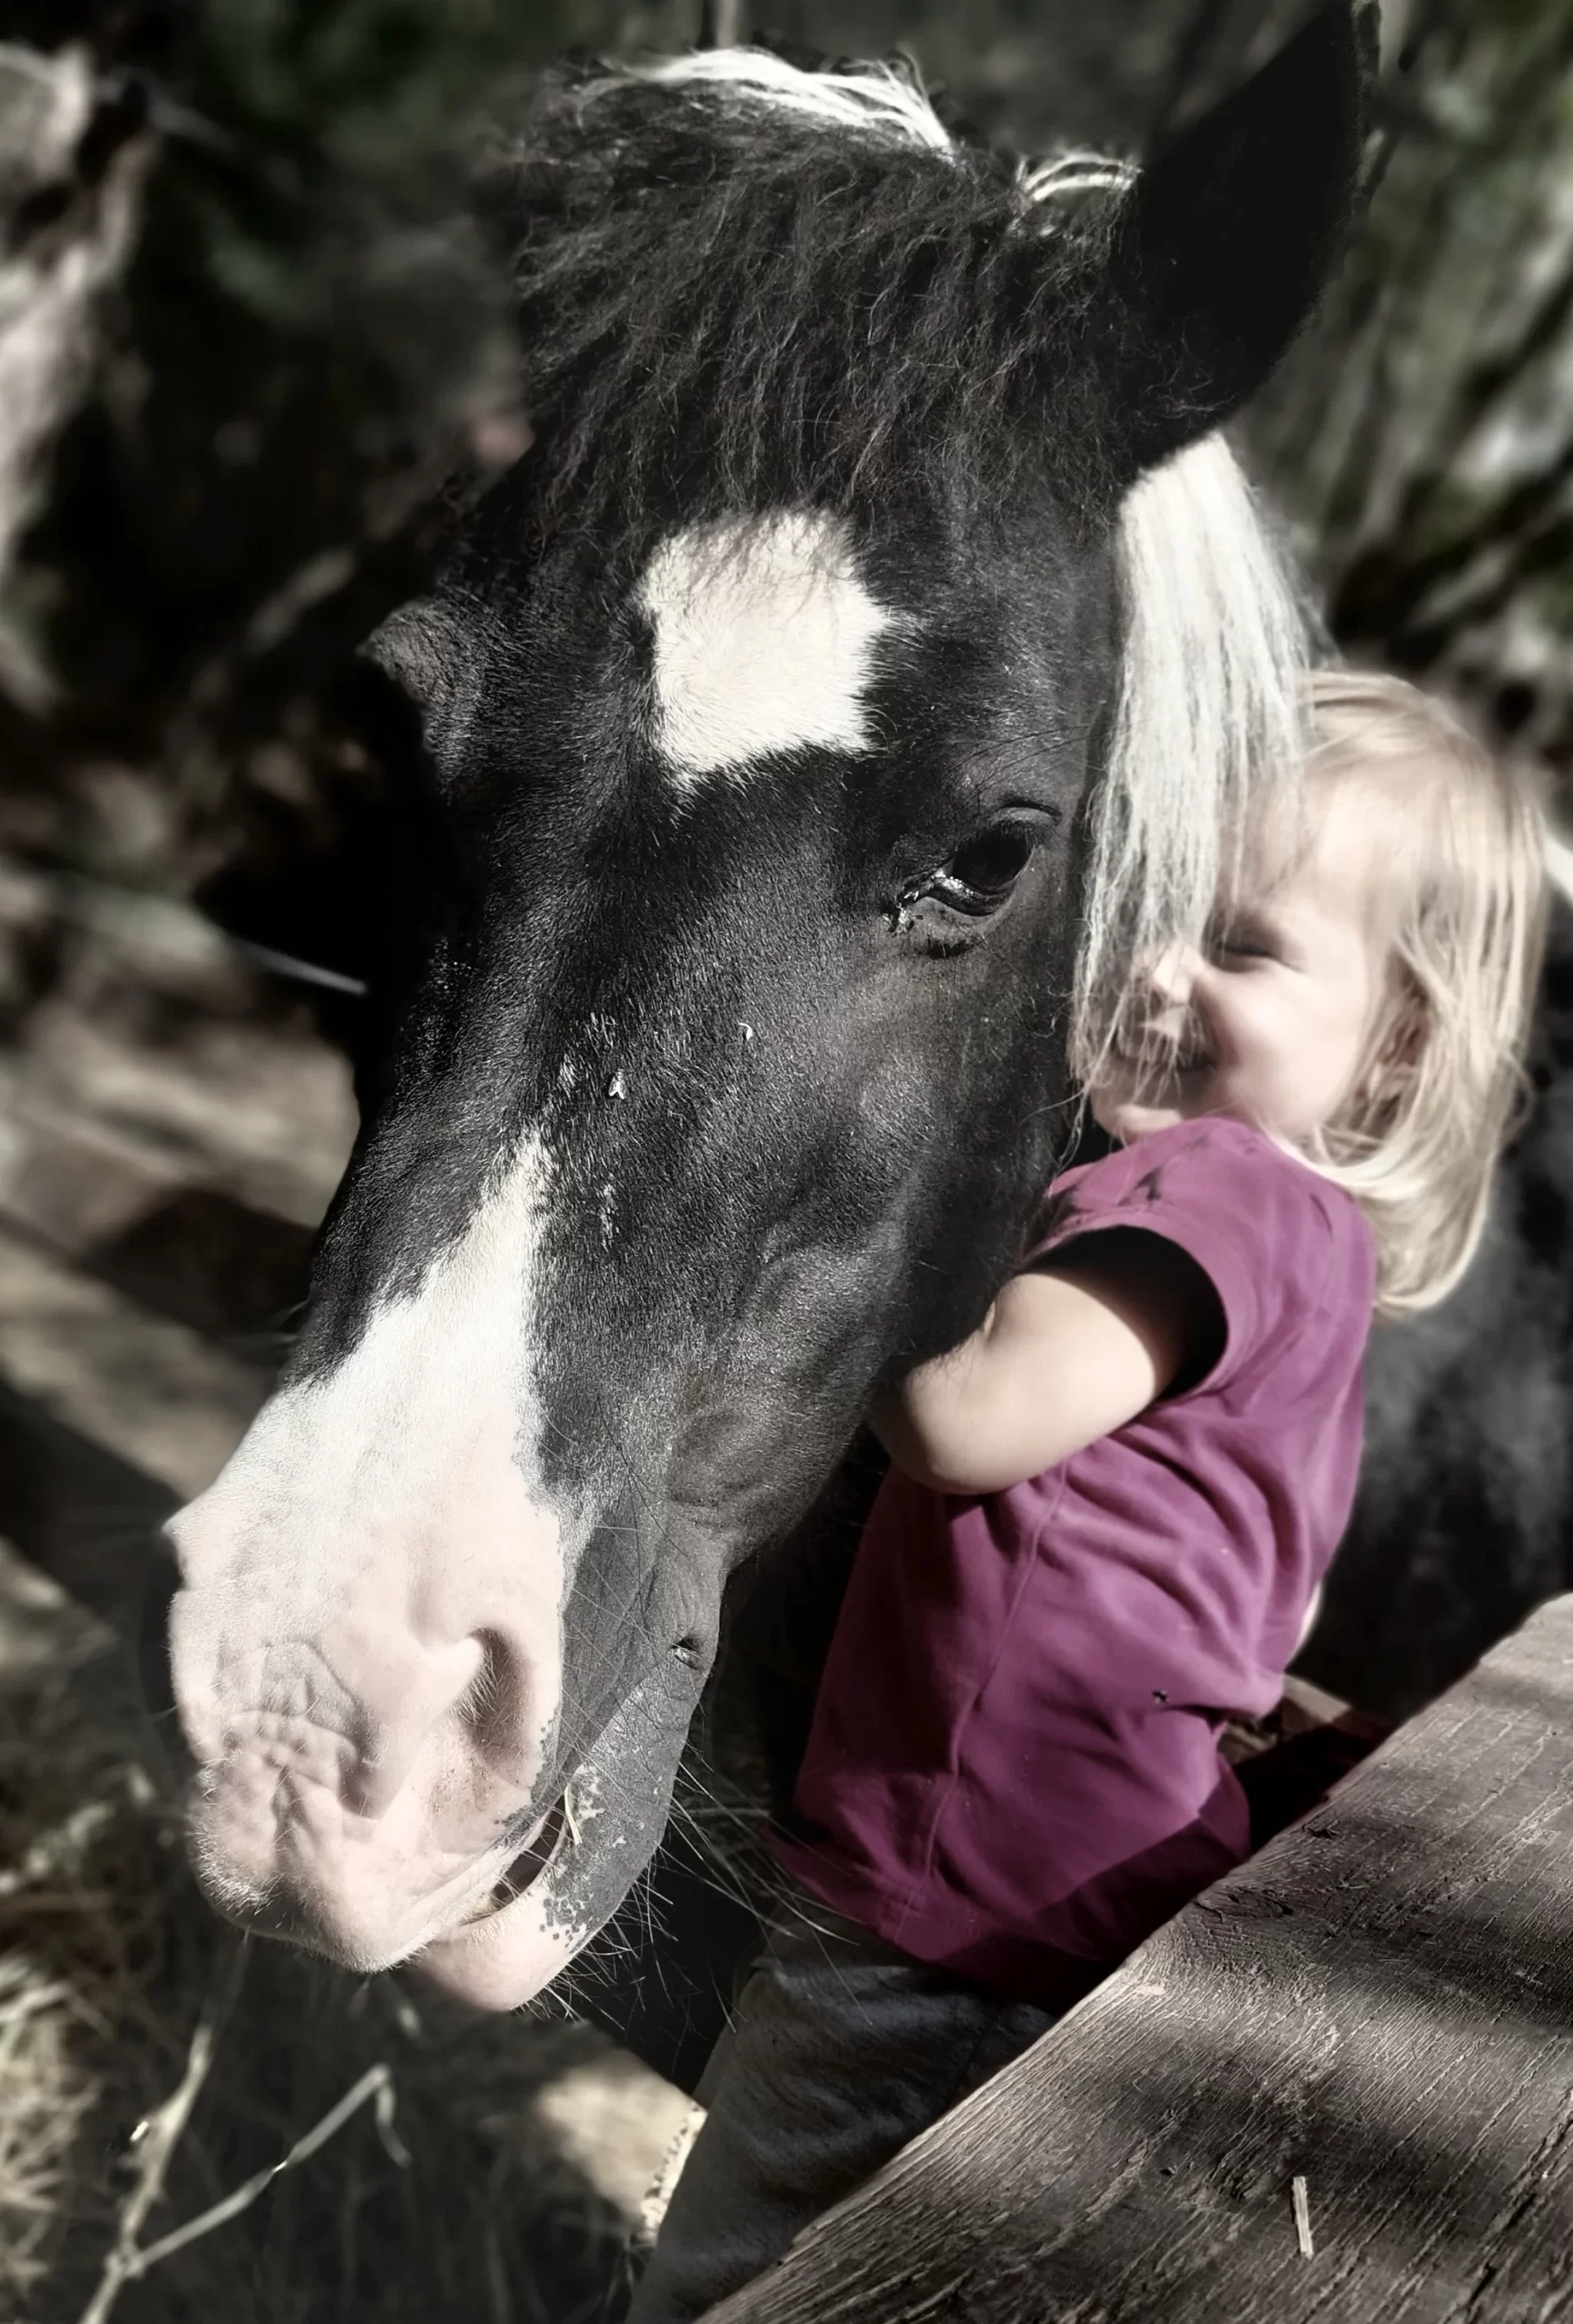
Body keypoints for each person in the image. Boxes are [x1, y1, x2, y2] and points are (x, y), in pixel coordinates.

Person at [624, 670, 1548, 2324]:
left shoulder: (1223, 1190)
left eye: (1245, 944)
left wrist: (856, 1183)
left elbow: (968, 1416)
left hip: (952, 1905)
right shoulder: (1282, 1234)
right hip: (1049, 1892)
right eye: (1144, 903)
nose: (1155, 969)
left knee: (730, 2286)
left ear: (1395, 1033)